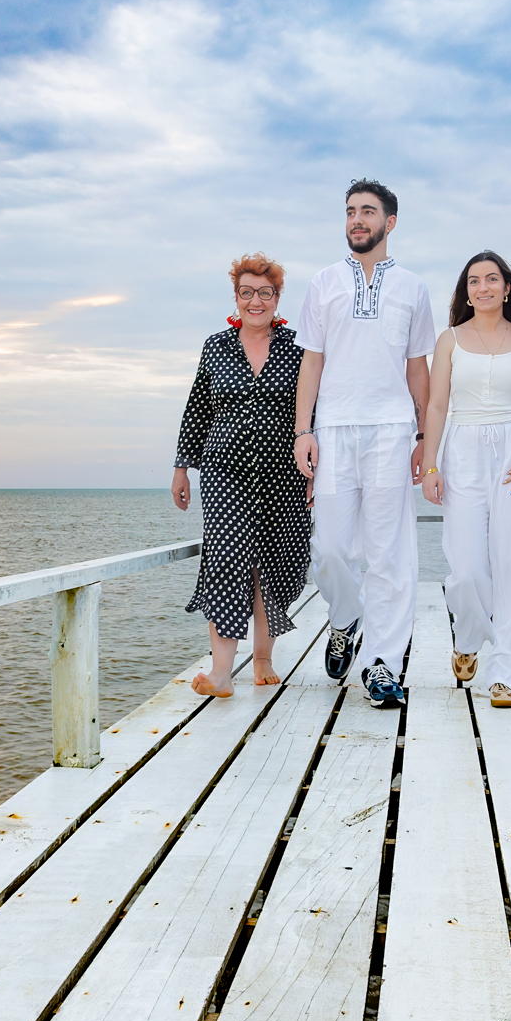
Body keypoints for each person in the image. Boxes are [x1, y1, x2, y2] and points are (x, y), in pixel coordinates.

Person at [292, 180, 438, 709]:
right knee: (330, 550)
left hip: (393, 432)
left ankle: (382, 665)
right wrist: (302, 430)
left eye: (368, 211)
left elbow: (417, 365)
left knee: (389, 554)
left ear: (390, 222)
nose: (357, 219)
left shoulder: (413, 288)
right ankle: (345, 617)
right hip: (332, 429)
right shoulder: (324, 283)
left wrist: (424, 435)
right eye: (351, 211)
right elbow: (312, 360)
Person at [419, 251, 511, 709]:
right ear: (466, 291)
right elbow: (436, 406)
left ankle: (507, 674)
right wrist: (432, 465)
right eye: (474, 281)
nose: (483, 287)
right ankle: (468, 636)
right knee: (467, 568)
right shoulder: (450, 340)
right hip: (461, 453)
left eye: (491, 279)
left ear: (506, 287)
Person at [174, 254, 313, 697]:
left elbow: (314, 410)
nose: (256, 301)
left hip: (283, 473)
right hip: (224, 471)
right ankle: (220, 672)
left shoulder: (298, 346)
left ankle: (264, 658)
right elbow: (197, 409)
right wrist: (182, 467)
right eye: (247, 292)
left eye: (265, 292)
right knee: (227, 558)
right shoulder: (216, 346)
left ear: (278, 297)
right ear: (236, 297)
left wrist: (315, 468)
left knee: (272, 562)